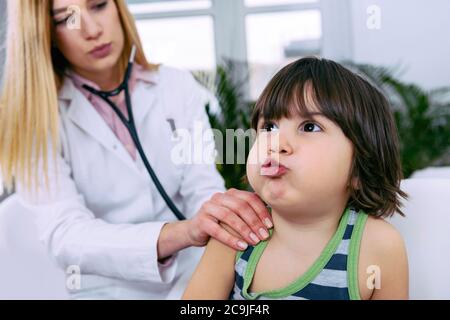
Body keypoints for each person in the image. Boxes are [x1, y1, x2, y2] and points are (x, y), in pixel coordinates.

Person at [0, 0, 273, 299]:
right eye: (67, 19)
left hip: (192, 271)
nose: (92, 30)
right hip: (110, 288)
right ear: (44, 34)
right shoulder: (36, 119)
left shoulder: (175, 86)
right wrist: (183, 232)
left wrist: (222, 216)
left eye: (99, 5)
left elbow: (202, 188)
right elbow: (66, 235)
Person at [183, 57, 409, 300]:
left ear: (359, 168)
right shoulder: (236, 232)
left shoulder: (377, 246)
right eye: (268, 127)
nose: (276, 143)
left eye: (310, 127)